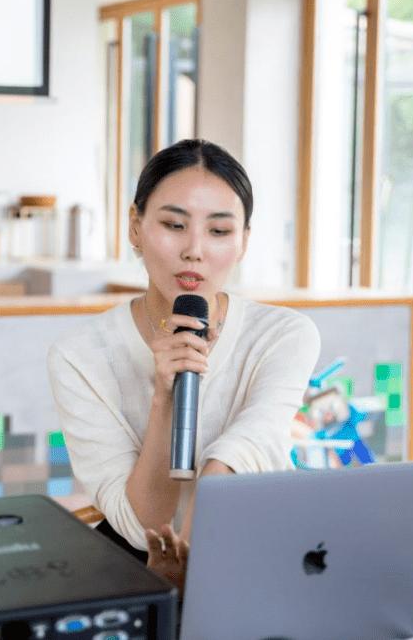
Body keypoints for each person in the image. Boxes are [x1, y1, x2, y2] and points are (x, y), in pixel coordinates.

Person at [47, 139, 320, 585]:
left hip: (253, 543)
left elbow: (242, 451)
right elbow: (140, 527)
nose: (195, 250)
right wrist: (164, 397)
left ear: (244, 241)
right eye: (174, 224)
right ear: (135, 227)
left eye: (218, 231)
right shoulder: (79, 356)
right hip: (139, 559)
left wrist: (196, 558)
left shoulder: (285, 335)